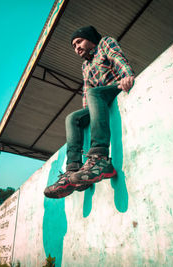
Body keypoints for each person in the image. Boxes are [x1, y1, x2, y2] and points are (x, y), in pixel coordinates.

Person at [44, 26, 135, 199]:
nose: (76, 47)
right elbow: (86, 91)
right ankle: (72, 173)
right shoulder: (85, 66)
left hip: (116, 87)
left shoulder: (105, 43)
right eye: (73, 45)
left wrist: (127, 75)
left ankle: (100, 158)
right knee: (72, 118)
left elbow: (117, 58)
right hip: (99, 98)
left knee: (95, 93)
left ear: (91, 39)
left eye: (79, 41)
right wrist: (88, 113)